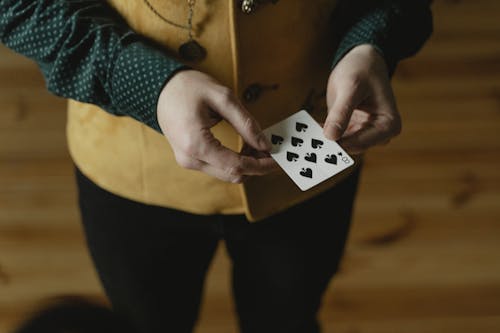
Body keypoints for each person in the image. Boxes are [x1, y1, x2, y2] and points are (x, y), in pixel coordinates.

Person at [0, 1, 433, 332]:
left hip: (315, 141)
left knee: (288, 319)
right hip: (132, 167)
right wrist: (144, 82)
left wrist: (373, 38)